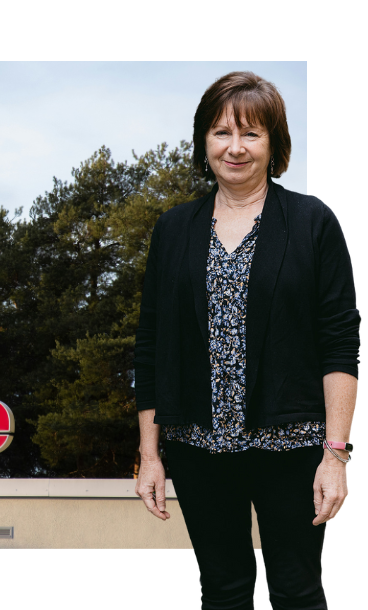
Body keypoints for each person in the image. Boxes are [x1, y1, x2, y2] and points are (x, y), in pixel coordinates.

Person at [133, 71, 359, 610]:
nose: (234, 147)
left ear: (274, 144)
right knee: (224, 591)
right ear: (203, 141)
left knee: (297, 590)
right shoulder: (174, 229)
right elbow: (151, 345)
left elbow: (339, 343)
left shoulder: (311, 222)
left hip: (292, 447)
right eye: (220, 132)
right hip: (198, 449)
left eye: (251, 133)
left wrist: (335, 456)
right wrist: (150, 455)